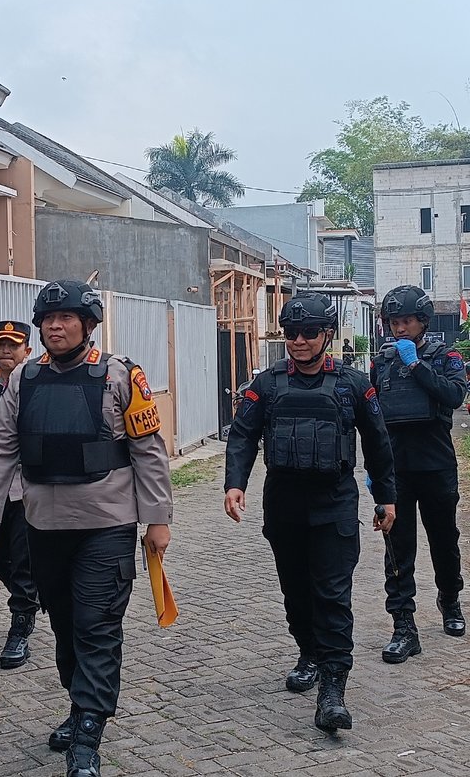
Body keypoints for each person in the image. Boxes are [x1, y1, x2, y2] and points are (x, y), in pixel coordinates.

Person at [0, 280, 173, 777]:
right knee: (67, 630)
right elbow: (0, 448)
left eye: (67, 317)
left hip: (106, 525)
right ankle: (79, 708)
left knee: (96, 629)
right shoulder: (23, 379)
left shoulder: (120, 375)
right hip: (43, 526)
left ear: (88, 324)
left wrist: (157, 518)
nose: (55, 325)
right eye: (48, 319)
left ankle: (88, 737)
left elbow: (148, 451)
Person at [224, 292, 396, 733]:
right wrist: (234, 484)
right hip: (284, 506)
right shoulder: (266, 383)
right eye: (291, 333)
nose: (298, 341)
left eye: (308, 332)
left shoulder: (353, 384)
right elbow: (242, 436)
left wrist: (386, 497)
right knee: (297, 595)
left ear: (327, 335)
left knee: (333, 596)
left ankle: (333, 690)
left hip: (334, 505)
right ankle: (309, 653)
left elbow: (378, 443)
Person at [371, 285, 466, 665]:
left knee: (444, 540)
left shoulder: (446, 357)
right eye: (394, 321)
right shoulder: (380, 362)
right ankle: (403, 626)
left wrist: (416, 365)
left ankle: (450, 599)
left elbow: (454, 397)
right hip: (395, 471)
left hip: (436, 465)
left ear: (423, 322)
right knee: (398, 548)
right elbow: (370, 416)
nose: (400, 328)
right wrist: (372, 470)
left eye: (406, 320)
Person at [0, 320, 39, 668]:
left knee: (23, 560)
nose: (6, 351)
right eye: (1, 345)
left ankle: (20, 627)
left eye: (13, 345)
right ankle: (30, 600)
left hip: (29, 489)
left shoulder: (39, 387)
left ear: (28, 351)